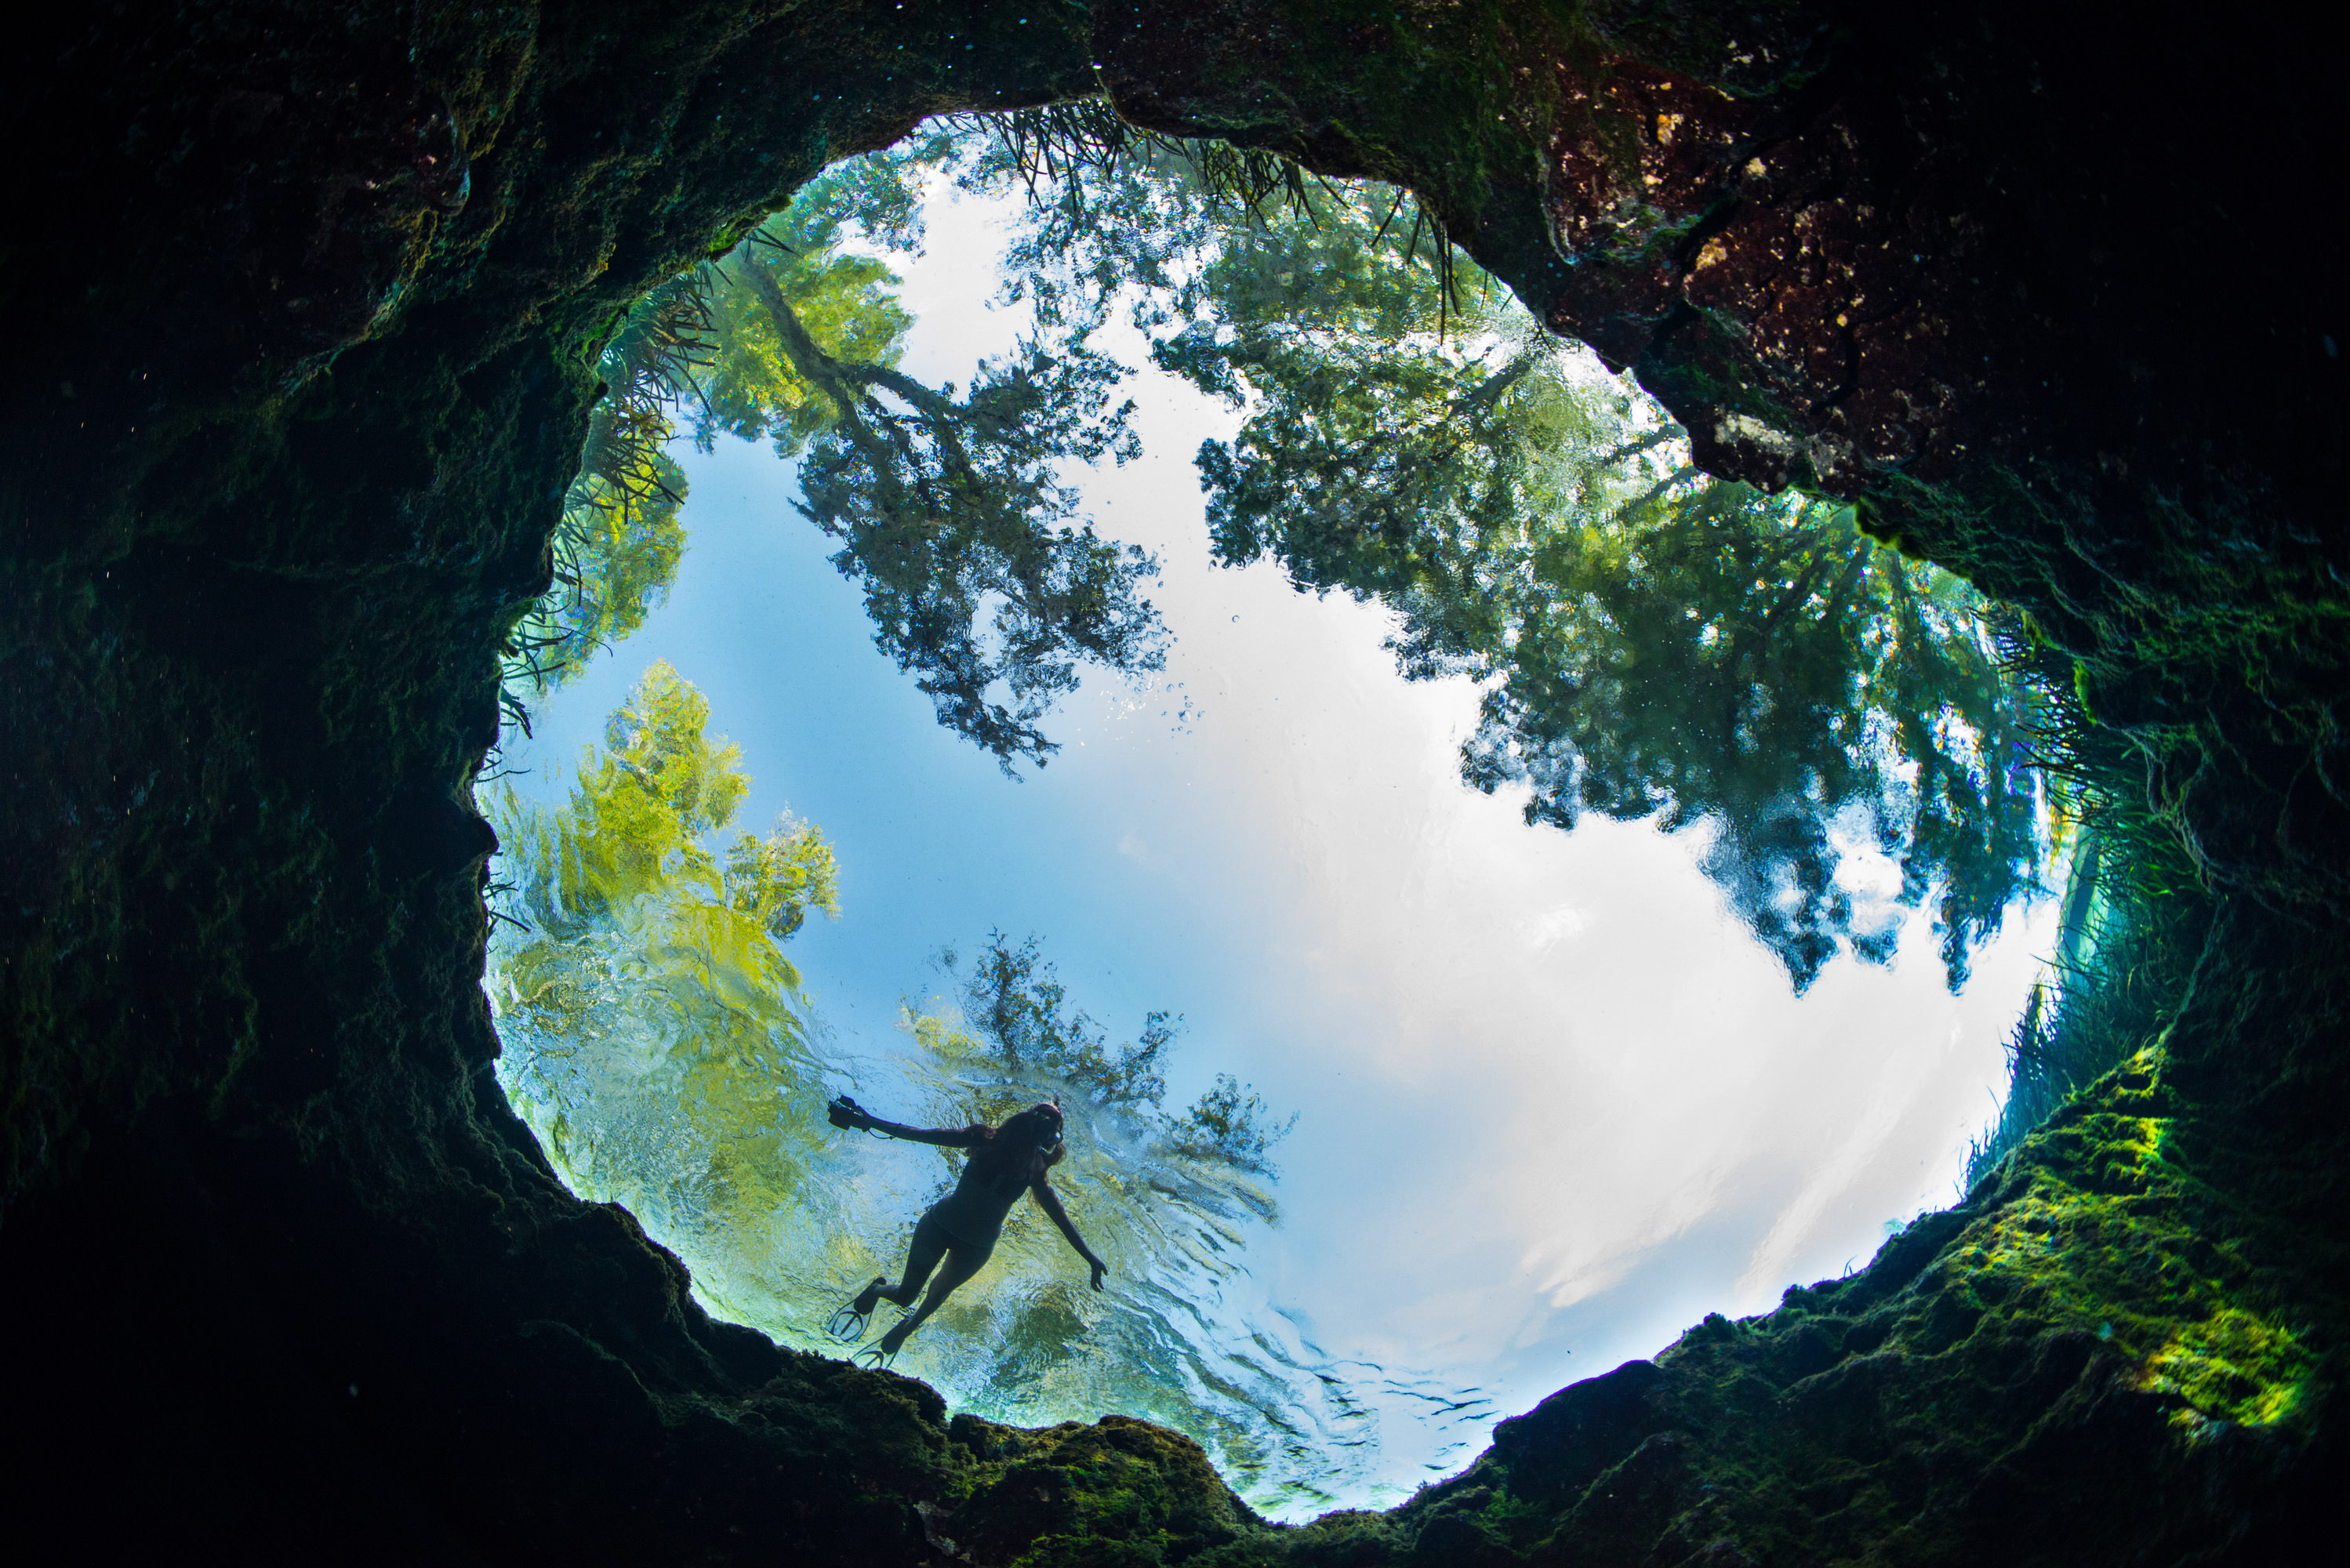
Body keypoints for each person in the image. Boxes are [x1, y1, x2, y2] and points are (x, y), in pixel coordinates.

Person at [824, 1094, 1107, 1362]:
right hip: (938, 1226)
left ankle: (905, 1330)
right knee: (906, 1296)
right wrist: (868, 1121)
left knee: (936, 1295)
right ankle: (876, 1291)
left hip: (976, 1248)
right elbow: (925, 1135)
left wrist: (1090, 1258)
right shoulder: (984, 1138)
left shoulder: (1035, 1170)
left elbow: (1062, 1220)